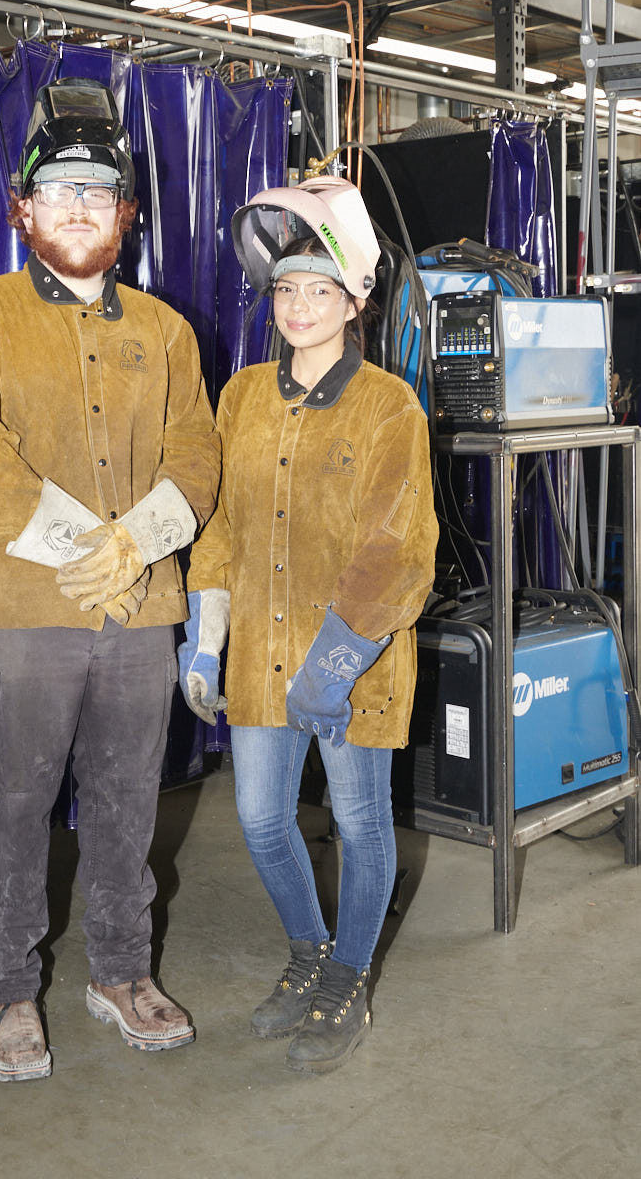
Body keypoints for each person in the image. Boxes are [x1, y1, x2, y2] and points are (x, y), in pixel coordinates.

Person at [0, 77, 220, 1082]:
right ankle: (8, 990)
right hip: (19, 616)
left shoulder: (170, 331)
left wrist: (137, 543)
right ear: (23, 208)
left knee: (130, 799)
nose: (82, 204)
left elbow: (199, 453)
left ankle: (122, 971)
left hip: (142, 612)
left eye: (101, 189)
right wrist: (82, 549)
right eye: (60, 190)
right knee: (13, 805)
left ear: (129, 212)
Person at [179, 176, 438, 1075]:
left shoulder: (387, 407)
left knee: (362, 825)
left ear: (355, 300)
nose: (297, 306)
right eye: (284, 289)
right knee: (258, 818)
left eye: (319, 289)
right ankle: (307, 952)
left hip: (350, 662)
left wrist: (335, 662)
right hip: (257, 652)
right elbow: (217, 528)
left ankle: (349, 979)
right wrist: (203, 637)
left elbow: (397, 549)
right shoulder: (242, 396)